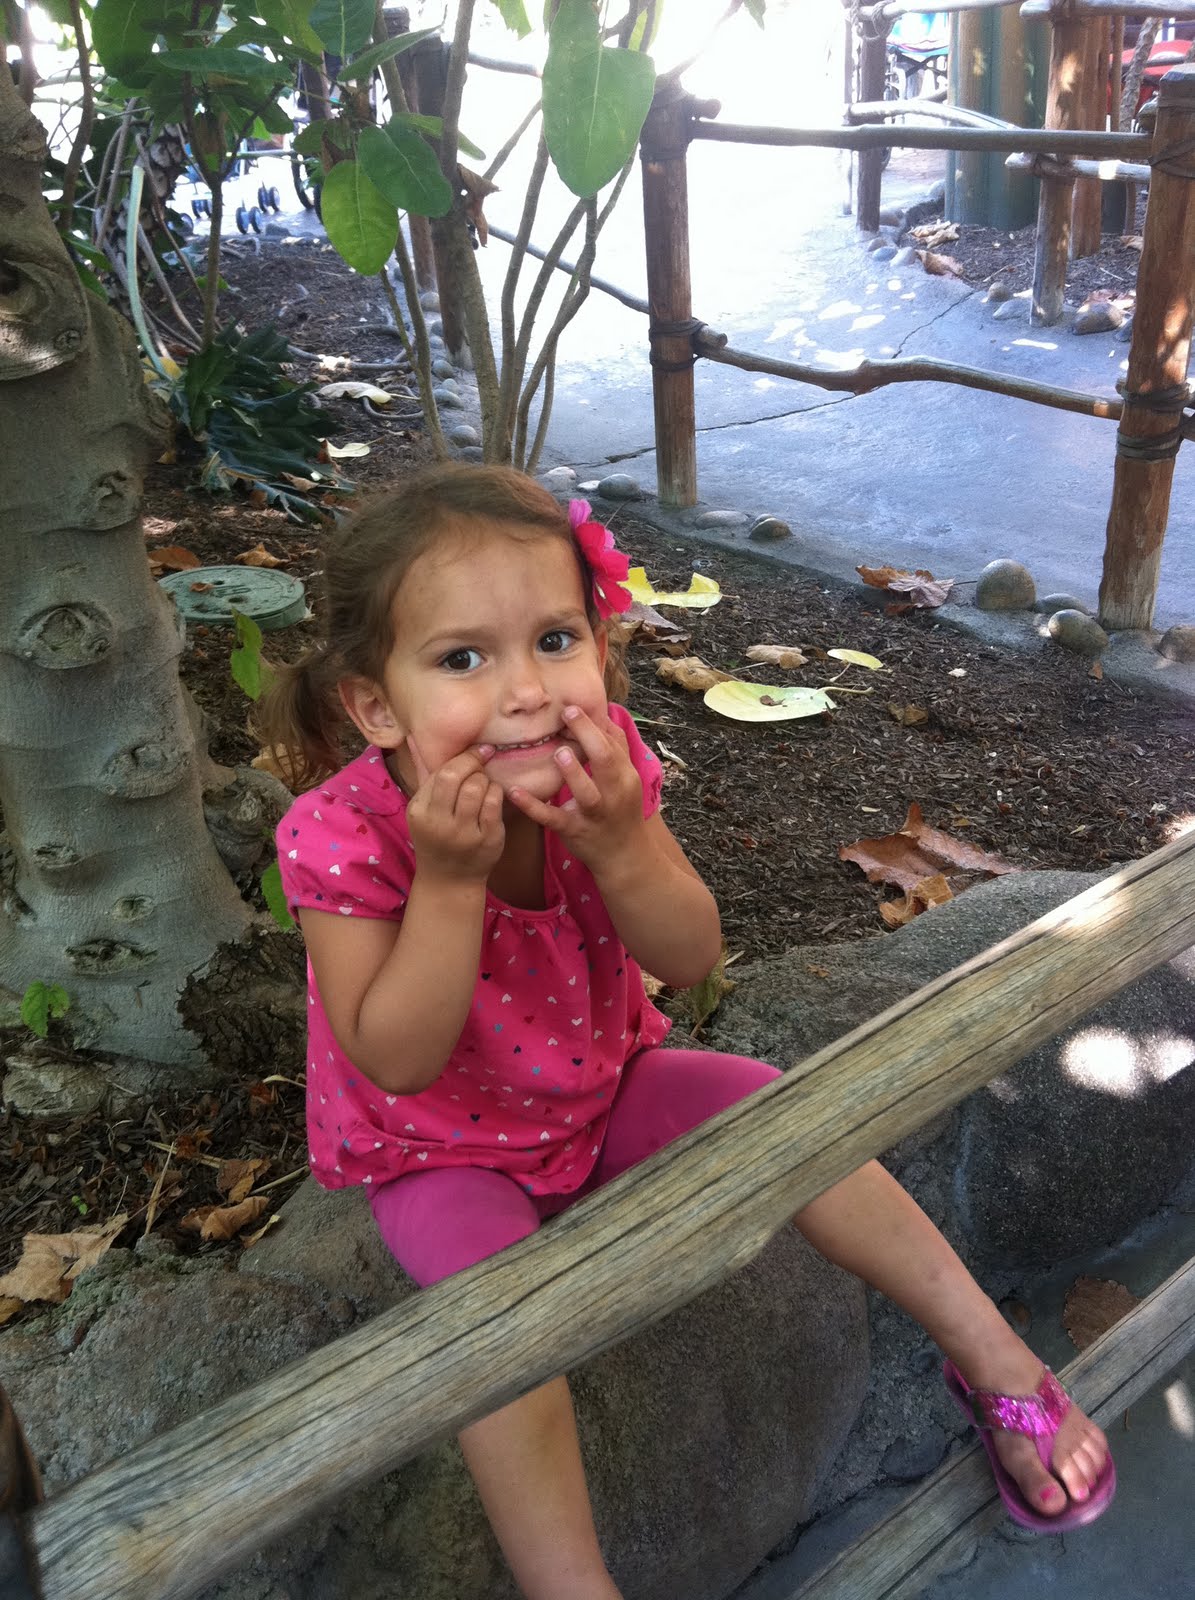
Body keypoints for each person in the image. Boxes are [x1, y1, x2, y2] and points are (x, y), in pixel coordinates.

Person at [262, 464, 1114, 1600]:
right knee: (496, 1331)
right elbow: (396, 1055)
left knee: (785, 1114)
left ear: (600, 645)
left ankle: (993, 1358)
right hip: (440, 1150)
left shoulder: (605, 766)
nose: (526, 691)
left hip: (604, 1088)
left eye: (554, 639)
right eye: (462, 658)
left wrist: (620, 843)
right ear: (376, 706)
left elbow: (689, 954)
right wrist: (452, 882)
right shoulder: (336, 836)